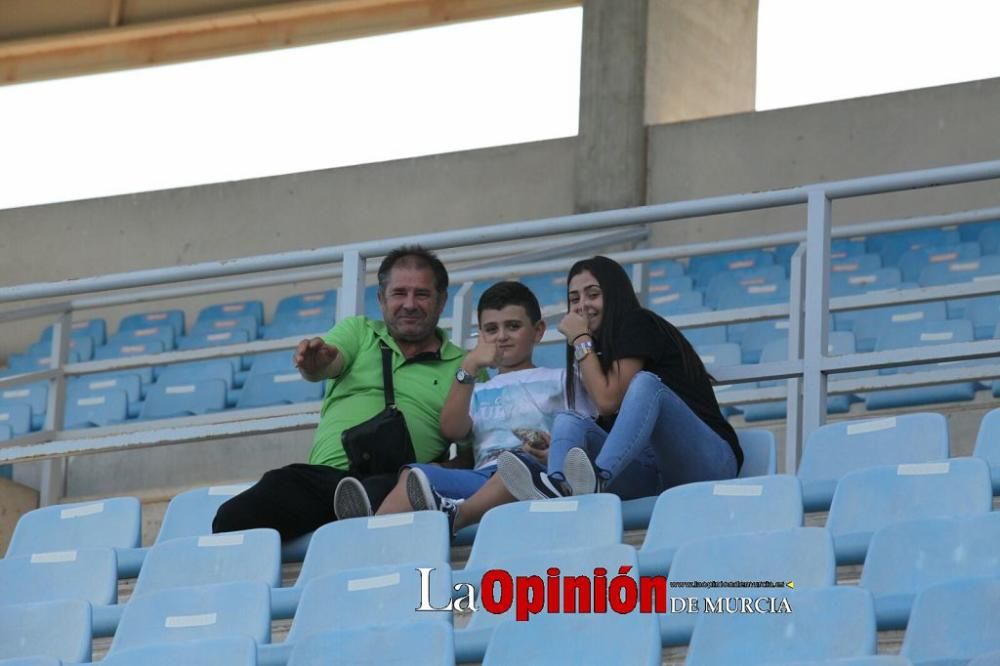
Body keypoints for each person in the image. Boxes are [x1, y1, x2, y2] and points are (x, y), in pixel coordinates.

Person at [212, 245, 467, 539]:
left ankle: (360, 519)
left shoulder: (463, 366)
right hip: (325, 480)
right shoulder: (359, 332)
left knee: (392, 486)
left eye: (421, 294)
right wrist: (316, 362)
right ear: (381, 299)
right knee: (233, 516)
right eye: (399, 293)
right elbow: (327, 361)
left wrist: (428, 472)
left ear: (441, 301)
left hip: (399, 486)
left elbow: (472, 455)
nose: (409, 304)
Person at [333, 281, 594, 534]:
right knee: (415, 474)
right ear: (481, 336)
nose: (502, 336)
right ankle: (370, 536)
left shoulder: (562, 378)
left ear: (537, 331)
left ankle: (458, 514)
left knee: (513, 464)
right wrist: (468, 366)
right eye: (491, 329)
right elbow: (451, 429)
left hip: (535, 475)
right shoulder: (475, 388)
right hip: (481, 480)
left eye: (513, 326)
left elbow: (586, 430)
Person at [497, 255, 742, 502]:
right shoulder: (595, 351)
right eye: (574, 299)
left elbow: (608, 400)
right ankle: (559, 490)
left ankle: (598, 478)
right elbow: (614, 423)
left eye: (593, 295)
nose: (582, 305)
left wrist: (581, 340)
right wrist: (556, 453)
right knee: (568, 421)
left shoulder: (637, 322)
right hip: (654, 475)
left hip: (708, 464)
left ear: (614, 295)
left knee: (646, 384)